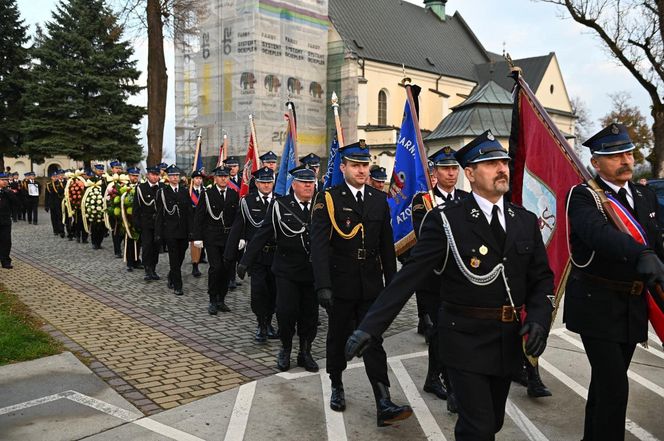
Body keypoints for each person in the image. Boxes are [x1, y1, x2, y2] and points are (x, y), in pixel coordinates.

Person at [346, 130, 554, 440]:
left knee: (493, 422)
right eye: (490, 163)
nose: (501, 169)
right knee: (478, 427)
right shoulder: (446, 220)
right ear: (469, 174)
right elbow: (410, 275)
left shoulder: (523, 220)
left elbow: (541, 278)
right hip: (464, 339)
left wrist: (538, 319)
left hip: (506, 341)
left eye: (503, 162)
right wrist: (370, 327)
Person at [564, 123, 664, 441]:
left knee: (608, 381)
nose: (626, 160)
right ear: (596, 162)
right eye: (615, 155)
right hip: (597, 305)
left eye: (628, 153)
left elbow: (658, 242)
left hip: (632, 306)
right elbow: (599, 235)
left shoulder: (643, 194)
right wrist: (640, 253)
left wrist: (654, 256)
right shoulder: (583, 196)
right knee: (615, 387)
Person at [311, 140, 413, 427]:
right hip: (340, 283)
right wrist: (323, 285)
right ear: (343, 167)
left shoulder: (378, 199)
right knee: (338, 336)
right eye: (355, 165)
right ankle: (337, 383)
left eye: (364, 165)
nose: (361, 170)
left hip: (370, 284)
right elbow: (319, 246)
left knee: (373, 339)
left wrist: (392, 284)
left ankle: (383, 399)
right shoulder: (329, 198)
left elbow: (385, 246)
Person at [238, 165, 318, 372]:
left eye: (311, 182)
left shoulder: (321, 205)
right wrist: (245, 261)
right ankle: (285, 349)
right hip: (286, 270)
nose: (309, 186)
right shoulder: (280, 205)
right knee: (286, 312)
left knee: (309, 315)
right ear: (294, 185)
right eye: (304, 182)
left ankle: (305, 352)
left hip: (312, 271)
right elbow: (262, 233)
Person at [410, 146, 469, 412]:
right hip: (434, 279)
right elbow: (427, 237)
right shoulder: (423, 201)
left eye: (454, 168)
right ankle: (439, 379)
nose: (451, 173)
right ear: (434, 172)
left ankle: (441, 378)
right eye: (445, 168)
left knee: (455, 331)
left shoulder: (467, 198)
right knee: (437, 331)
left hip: (460, 278)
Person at [226, 166, 279, 342]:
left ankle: (269, 321)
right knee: (258, 292)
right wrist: (229, 254)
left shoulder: (280, 201)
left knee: (273, 291)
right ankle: (261, 324)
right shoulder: (247, 202)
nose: (266, 185)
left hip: (276, 255)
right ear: (256, 183)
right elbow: (237, 227)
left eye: (269, 182)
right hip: (256, 257)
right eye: (263, 182)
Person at [192, 166, 239, 314]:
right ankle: (212, 299)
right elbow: (199, 217)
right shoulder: (207, 194)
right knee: (215, 268)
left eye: (226, 176)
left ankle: (221, 299)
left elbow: (238, 218)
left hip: (228, 237)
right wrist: (197, 237)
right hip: (212, 237)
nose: (224, 178)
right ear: (215, 178)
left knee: (226, 268)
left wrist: (241, 236)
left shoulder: (233, 194)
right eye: (220, 176)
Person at [155, 165, 192, 296]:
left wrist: (191, 230)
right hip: (170, 231)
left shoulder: (184, 191)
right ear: (168, 177)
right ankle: (178, 285)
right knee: (173, 258)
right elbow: (160, 213)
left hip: (183, 230)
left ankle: (171, 276)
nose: (174, 178)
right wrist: (158, 233)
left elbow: (189, 212)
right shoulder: (163, 192)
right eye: (172, 176)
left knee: (181, 256)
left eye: (176, 175)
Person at [133, 166, 162, 281]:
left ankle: (153, 268)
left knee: (156, 247)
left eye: (157, 175)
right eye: (153, 174)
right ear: (148, 175)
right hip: (146, 223)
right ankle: (147, 269)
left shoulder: (163, 187)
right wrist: (137, 224)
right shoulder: (141, 188)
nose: (155, 177)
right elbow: (136, 207)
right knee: (147, 246)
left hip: (159, 224)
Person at [124, 168, 143, 272]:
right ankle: (129, 262)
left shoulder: (141, 186)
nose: (135, 177)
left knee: (139, 240)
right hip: (128, 217)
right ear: (129, 176)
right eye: (133, 175)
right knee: (129, 240)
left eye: (136, 175)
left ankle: (137, 260)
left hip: (139, 218)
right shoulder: (124, 187)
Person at [189, 169, 205, 278]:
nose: (198, 180)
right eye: (196, 178)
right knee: (194, 244)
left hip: (203, 221)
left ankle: (200, 259)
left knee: (201, 244)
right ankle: (195, 265)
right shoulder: (188, 192)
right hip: (192, 221)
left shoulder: (205, 191)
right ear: (193, 180)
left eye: (200, 178)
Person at [89, 164, 108, 250]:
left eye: (101, 170)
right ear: (95, 170)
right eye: (99, 170)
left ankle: (99, 242)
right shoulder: (91, 179)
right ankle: (94, 242)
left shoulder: (105, 179)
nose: (101, 171)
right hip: (94, 205)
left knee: (102, 225)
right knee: (94, 225)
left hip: (103, 204)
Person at [0, 173, 16, 269]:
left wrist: (9, 193)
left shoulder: (8, 192)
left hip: (5, 220)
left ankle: (5, 261)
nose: (5, 181)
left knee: (6, 241)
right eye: (2, 180)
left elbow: (16, 203)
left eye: (6, 179)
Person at [44, 170, 66, 237]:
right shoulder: (49, 185)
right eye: (54, 176)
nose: (55, 178)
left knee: (60, 217)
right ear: (51, 177)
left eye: (56, 176)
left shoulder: (60, 183)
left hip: (59, 203)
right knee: (53, 218)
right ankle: (55, 230)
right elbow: (47, 196)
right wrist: (46, 205)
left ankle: (61, 230)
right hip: (52, 204)